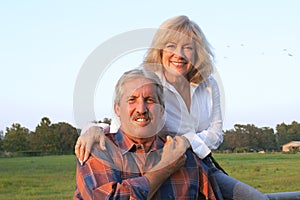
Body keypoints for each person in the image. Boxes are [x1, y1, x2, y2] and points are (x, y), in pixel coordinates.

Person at [75, 15, 267, 199]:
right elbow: (125, 122)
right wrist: (93, 128)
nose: (179, 54)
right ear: (160, 50)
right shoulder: (151, 84)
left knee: (253, 197)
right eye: (171, 46)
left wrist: (186, 142)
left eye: (188, 47)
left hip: (198, 163)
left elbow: (216, 134)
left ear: (198, 52)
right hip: (156, 161)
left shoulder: (208, 85)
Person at [74, 69, 217, 199]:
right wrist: (165, 167)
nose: (141, 109)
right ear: (117, 109)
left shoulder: (186, 158)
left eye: (150, 100)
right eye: (132, 100)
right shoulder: (99, 150)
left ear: (161, 110)